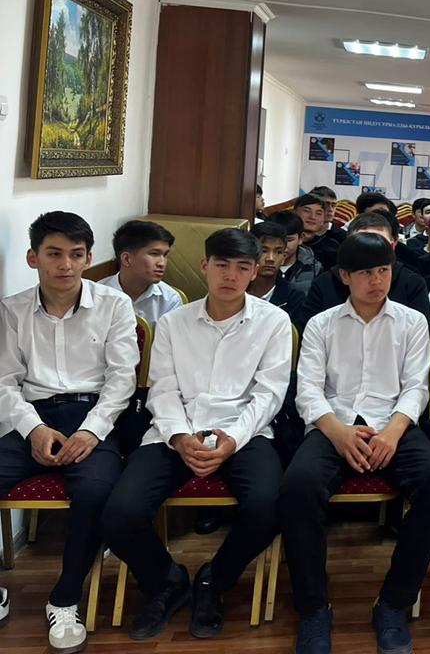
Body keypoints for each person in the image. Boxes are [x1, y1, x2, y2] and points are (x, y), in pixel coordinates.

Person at [102, 228, 291, 640]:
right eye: (222, 265)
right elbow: (162, 388)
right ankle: (165, 580)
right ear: (205, 266)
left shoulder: (274, 322)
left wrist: (232, 439)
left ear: (254, 271)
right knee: (119, 513)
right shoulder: (174, 322)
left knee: (270, 506)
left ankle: (213, 579)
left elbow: (269, 394)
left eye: (242, 267)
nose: (231, 276)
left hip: (245, 432)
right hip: (174, 432)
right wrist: (180, 437)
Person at [281, 232, 430, 654]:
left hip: (393, 423)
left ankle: (394, 602)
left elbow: (416, 388)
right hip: (333, 424)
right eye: (365, 273)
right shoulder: (322, 324)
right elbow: (308, 389)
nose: (377, 281)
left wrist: (393, 432)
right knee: (297, 487)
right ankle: (314, 608)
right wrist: (337, 432)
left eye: (383, 271)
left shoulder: (411, 322)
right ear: (344, 276)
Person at [0, 212, 138, 653]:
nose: (66, 265)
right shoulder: (11, 310)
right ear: (33, 257)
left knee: (96, 490)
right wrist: (33, 429)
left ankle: (65, 598)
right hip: (32, 415)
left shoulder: (114, 305)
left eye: (76, 255)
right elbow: (4, 382)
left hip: (93, 414)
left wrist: (92, 431)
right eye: (54, 254)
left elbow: (122, 379)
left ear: (89, 258)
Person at [297, 213, 430, 331]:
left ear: (393, 245)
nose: (370, 251)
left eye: (379, 243)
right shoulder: (324, 283)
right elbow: (308, 332)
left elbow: (420, 336)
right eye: (362, 243)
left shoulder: (412, 282)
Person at [102, 219, 185, 328]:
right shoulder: (98, 295)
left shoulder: (170, 299)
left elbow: (173, 338)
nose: (162, 263)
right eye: (154, 254)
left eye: (165, 255)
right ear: (126, 259)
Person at [247, 221, 307, 326]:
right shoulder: (236, 290)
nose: (271, 259)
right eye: (264, 251)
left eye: (278, 252)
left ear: (284, 257)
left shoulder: (295, 298)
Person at [269, 211, 321, 298]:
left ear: (301, 238)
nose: (283, 246)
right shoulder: (258, 265)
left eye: (289, 240)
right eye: (276, 239)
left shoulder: (313, 267)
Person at [296, 194, 341, 271]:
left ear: (323, 219)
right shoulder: (283, 242)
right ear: (295, 212)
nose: (312, 217)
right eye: (307, 211)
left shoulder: (332, 249)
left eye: (318, 213)